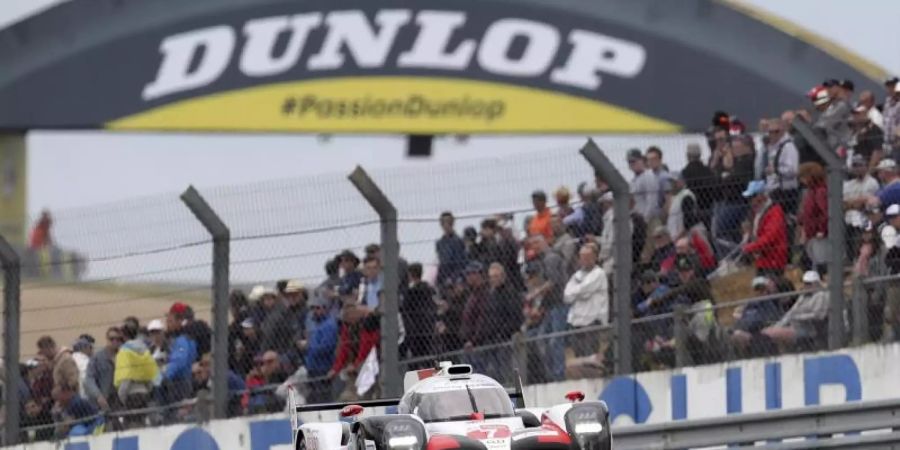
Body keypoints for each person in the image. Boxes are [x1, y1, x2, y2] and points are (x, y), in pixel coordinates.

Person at [530, 234, 569, 382]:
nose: (534, 248)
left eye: (536, 244)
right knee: (542, 339)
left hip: (558, 303)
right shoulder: (543, 261)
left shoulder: (551, 258)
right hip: (551, 305)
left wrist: (536, 294)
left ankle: (558, 374)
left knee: (555, 340)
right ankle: (550, 373)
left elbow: (553, 281)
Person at [709, 133, 755, 253]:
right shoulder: (734, 160)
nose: (734, 150)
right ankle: (736, 255)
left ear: (746, 147)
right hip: (728, 199)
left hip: (739, 200)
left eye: (736, 147)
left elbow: (735, 180)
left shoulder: (747, 160)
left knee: (720, 231)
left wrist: (727, 175)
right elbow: (717, 178)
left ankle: (734, 255)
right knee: (729, 232)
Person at [563, 244, 609, 357]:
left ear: (595, 257)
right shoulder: (576, 275)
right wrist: (579, 291)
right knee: (579, 356)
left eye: (588, 257)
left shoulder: (599, 273)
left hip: (592, 320)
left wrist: (577, 291)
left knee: (591, 355)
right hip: (576, 321)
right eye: (582, 257)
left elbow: (585, 291)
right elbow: (566, 296)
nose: (585, 260)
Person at [761, 271, 829, 347]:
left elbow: (818, 315)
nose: (806, 286)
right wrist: (778, 325)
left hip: (810, 329)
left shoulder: (822, 295)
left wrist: (797, 317)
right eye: (805, 283)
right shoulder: (804, 296)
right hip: (795, 326)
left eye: (809, 283)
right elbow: (791, 312)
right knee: (767, 331)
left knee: (771, 334)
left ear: (817, 283)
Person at [114, 323, 158, 428]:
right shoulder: (145, 350)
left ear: (123, 336)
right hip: (144, 392)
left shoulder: (124, 351)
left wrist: (122, 397)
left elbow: (126, 375)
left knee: (132, 426)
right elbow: (151, 372)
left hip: (131, 394)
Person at [741, 180, 789, 277]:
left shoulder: (774, 212)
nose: (751, 201)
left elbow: (770, 237)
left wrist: (751, 247)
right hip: (763, 259)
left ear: (761, 196)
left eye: (752, 197)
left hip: (773, 259)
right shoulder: (758, 212)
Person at [729, 277, 783, 354]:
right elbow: (744, 319)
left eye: (762, 289)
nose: (760, 292)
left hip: (761, 332)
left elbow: (770, 319)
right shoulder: (750, 305)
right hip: (747, 330)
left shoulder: (771, 303)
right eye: (757, 289)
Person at [161, 303, 198, 408]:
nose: (167, 323)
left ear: (180, 321)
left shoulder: (182, 339)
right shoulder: (179, 337)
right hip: (179, 381)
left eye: (170, 320)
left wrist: (165, 375)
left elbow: (179, 361)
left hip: (179, 383)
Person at [844, 154, 881, 257]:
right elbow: (843, 203)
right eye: (855, 165)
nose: (857, 168)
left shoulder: (872, 182)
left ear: (865, 166)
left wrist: (854, 202)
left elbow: (866, 203)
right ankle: (849, 257)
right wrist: (858, 201)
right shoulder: (849, 184)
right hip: (848, 219)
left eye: (860, 165)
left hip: (866, 217)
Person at [303, 296, 338, 403]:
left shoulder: (329, 325)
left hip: (323, 368)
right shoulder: (317, 325)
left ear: (325, 309)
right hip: (313, 367)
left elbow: (327, 346)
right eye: (313, 308)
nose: (315, 311)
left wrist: (309, 346)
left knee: (322, 398)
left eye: (318, 308)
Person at [762, 119, 800, 215]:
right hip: (774, 191)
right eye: (770, 132)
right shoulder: (772, 147)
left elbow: (793, 170)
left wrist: (776, 170)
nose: (773, 134)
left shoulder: (788, 147)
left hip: (785, 192)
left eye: (776, 131)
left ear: (783, 131)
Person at [402, 262, 436, 367]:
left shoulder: (410, 292)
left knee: (415, 359)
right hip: (428, 327)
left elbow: (405, 310)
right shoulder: (429, 290)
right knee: (428, 357)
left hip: (415, 328)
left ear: (410, 274)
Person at [798, 162, 828, 275]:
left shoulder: (820, 191)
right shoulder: (811, 191)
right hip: (811, 233)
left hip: (818, 234)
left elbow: (825, 212)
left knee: (820, 264)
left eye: (803, 177)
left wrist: (822, 230)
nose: (801, 180)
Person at [83, 327, 121, 413]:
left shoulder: (124, 355)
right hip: (104, 399)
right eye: (112, 339)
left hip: (120, 398)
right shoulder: (97, 358)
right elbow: (89, 379)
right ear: (107, 340)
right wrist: (98, 395)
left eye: (118, 339)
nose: (115, 341)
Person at [682, 143, 716, 224]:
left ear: (688, 155)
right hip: (708, 207)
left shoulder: (686, 172)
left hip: (693, 210)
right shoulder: (708, 171)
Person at [628, 149, 661, 225]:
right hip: (638, 221)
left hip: (650, 221)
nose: (631, 164)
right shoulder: (633, 180)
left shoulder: (648, 176)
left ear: (642, 160)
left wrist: (645, 220)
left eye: (633, 161)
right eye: (629, 162)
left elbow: (652, 201)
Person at [435, 211, 467, 289]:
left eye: (448, 222)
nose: (446, 225)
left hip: (455, 279)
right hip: (443, 278)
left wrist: (453, 278)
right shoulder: (440, 243)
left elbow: (460, 263)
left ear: (452, 223)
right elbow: (441, 262)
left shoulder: (458, 241)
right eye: (443, 222)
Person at [665, 171, 698, 240]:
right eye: (670, 182)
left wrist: (678, 236)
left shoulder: (686, 195)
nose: (671, 185)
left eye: (674, 182)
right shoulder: (675, 196)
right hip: (674, 237)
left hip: (683, 238)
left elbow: (689, 220)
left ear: (681, 182)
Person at [851, 103, 885, 168]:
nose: (855, 116)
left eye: (858, 114)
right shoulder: (855, 130)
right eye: (854, 114)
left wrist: (869, 170)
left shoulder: (873, 129)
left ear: (865, 114)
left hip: (868, 167)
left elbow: (877, 151)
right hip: (856, 166)